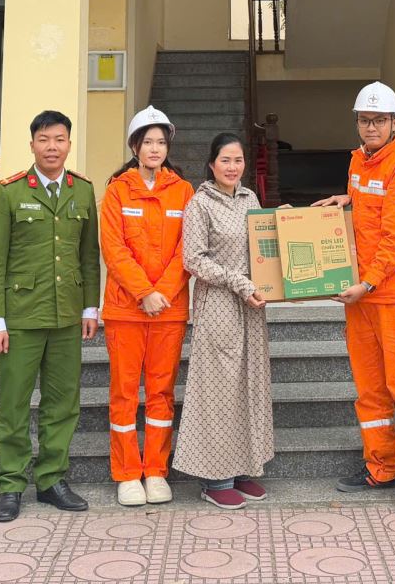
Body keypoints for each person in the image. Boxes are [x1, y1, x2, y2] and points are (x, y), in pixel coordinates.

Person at [314, 81, 395, 515]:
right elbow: (370, 209)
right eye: (365, 120)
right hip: (363, 300)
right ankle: (380, 467)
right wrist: (347, 198)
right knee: (369, 390)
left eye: (379, 120)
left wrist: (367, 283)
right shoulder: (359, 161)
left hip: (394, 299)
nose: (371, 127)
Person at [0, 110, 100, 522]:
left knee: (62, 403)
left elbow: (88, 255)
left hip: (67, 316)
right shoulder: (9, 192)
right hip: (21, 317)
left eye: (60, 139)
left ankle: (51, 479)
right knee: (14, 403)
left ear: (69, 144)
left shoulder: (82, 190)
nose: (52, 147)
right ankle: (11, 483)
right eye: (45, 139)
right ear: (32, 144)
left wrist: (90, 306)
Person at [171, 133, 275, 510]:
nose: (233, 167)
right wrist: (238, 282)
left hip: (252, 303)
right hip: (218, 303)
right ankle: (215, 478)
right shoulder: (200, 203)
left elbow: (263, 245)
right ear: (212, 164)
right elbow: (193, 259)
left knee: (250, 382)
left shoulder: (250, 199)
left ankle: (245, 468)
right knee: (218, 389)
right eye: (225, 160)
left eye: (238, 160)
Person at [99, 106, 195, 508]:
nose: (155, 149)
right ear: (135, 146)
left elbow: (187, 249)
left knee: (160, 391)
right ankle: (127, 474)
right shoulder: (117, 190)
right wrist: (143, 292)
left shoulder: (183, 191)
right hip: (126, 310)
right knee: (124, 392)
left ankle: (156, 470)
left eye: (161, 142)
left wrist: (163, 293)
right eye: (147, 142)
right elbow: (113, 248)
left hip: (168, 310)